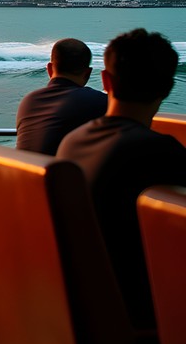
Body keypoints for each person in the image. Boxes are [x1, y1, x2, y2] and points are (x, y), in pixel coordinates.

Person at [56, 29, 186, 328]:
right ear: (167, 89)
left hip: (78, 308)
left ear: (105, 81)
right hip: (139, 316)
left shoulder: (72, 142)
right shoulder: (160, 152)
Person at [16, 38, 107, 155]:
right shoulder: (99, 102)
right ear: (88, 73)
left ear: (49, 68)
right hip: (61, 171)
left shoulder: (29, 101)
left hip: (25, 170)